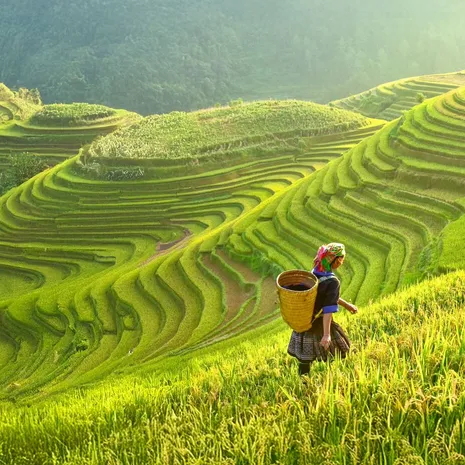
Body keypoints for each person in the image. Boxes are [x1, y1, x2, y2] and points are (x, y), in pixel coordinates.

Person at [287, 242, 358, 375]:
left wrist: (347, 306)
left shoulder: (314, 272)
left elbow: (327, 296)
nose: (342, 262)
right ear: (334, 260)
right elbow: (328, 308)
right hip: (319, 321)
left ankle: (303, 382)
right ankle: (336, 377)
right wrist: (326, 334)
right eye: (341, 258)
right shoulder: (333, 282)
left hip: (305, 320)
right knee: (337, 350)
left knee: (305, 357)